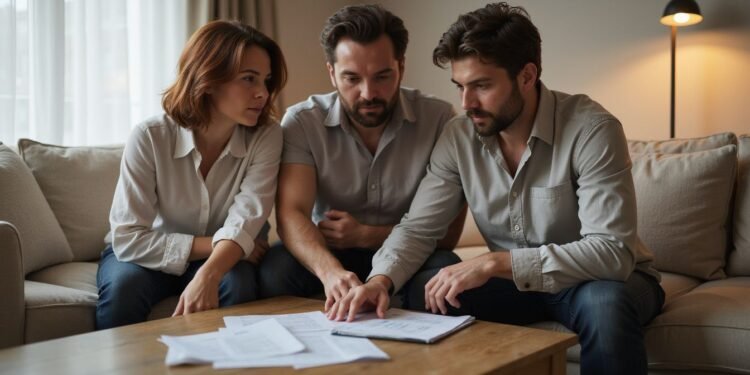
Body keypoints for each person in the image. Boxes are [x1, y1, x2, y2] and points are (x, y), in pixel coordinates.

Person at [331, 3, 665, 374]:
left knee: (606, 304)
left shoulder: (592, 129)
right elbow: (418, 227)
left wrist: (494, 262)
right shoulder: (459, 136)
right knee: (425, 288)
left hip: (600, 281)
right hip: (515, 287)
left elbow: (611, 253)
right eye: (460, 86)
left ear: (526, 75)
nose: (466, 103)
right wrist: (380, 280)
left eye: (482, 86)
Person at [258, 4, 467, 313]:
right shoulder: (303, 122)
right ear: (331, 72)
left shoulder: (438, 120)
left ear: (401, 67)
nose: (368, 93)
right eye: (352, 78)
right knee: (275, 271)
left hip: (408, 255)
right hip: (329, 254)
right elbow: (291, 214)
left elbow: (447, 234)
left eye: (382, 76)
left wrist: (367, 235)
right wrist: (331, 273)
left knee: (443, 270)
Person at [96, 20, 287, 329]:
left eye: (266, 81)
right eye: (249, 79)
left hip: (224, 257)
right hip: (146, 256)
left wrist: (211, 270)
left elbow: (247, 219)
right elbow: (128, 239)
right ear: (209, 78)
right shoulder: (150, 136)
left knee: (237, 286)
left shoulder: (267, 135)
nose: (263, 93)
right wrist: (222, 243)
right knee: (123, 289)